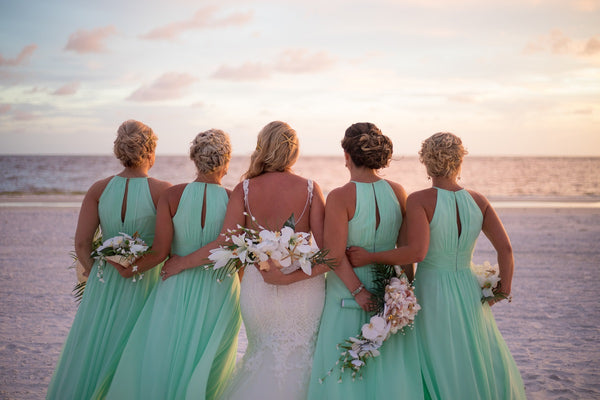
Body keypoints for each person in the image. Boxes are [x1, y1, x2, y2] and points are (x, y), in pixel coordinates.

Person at [346, 132, 526, 399]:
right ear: (459, 161)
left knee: (435, 357)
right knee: (470, 352)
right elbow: (506, 249)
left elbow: (416, 252)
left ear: (427, 162)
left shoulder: (420, 199)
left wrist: (371, 257)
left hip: (432, 291)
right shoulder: (478, 200)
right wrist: (504, 288)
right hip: (467, 287)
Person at [163, 121, 327, 400]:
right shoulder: (311, 189)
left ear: (262, 148)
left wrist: (181, 262)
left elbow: (224, 242)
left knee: (262, 354)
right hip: (303, 289)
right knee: (303, 358)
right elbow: (330, 255)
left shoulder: (245, 189)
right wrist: (289, 276)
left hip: (258, 288)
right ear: (293, 153)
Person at [105, 129, 241, 400]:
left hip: (175, 287)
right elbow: (235, 254)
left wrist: (128, 268)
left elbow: (158, 253)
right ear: (226, 161)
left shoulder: (172, 196)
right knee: (210, 368)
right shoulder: (235, 199)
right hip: (221, 290)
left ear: (194, 158)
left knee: (167, 361)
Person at [47, 120, 171, 399]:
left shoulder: (98, 189)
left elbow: (81, 243)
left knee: (94, 351)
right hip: (145, 284)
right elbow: (167, 247)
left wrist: (96, 275)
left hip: (104, 285)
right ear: (150, 151)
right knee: (136, 355)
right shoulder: (163, 190)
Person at [307, 122, 424, 399]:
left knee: (343, 374)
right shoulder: (398, 192)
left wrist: (359, 293)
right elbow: (406, 252)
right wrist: (402, 292)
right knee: (388, 370)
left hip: (346, 293)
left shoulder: (339, 196)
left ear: (347, 155)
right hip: (389, 295)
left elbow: (334, 256)